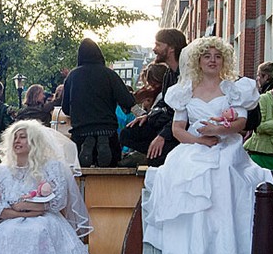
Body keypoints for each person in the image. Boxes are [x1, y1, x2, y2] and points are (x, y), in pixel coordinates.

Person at [143, 37, 273, 254]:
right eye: (207, 56)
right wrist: (200, 140)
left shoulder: (235, 89)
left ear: (223, 60)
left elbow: (242, 123)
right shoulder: (185, 91)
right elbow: (178, 129)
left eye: (217, 56)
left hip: (227, 146)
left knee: (223, 171)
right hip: (195, 146)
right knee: (182, 173)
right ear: (198, 61)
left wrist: (219, 131)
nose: (212, 61)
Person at [0, 120, 114, 254]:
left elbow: (55, 203)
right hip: (11, 220)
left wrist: (27, 208)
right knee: (7, 233)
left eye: (23, 137)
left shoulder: (51, 168)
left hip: (46, 219)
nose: (17, 141)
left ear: (35, 142)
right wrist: (25, 213)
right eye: (14, 137)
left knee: (38, 230)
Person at [62, 38, 135, 167]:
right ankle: (103, 143)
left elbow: (66, 108)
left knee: (82, 174)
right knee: (110, 172)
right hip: (107, 129)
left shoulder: (72, 76)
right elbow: (127, 101)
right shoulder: (109, 74)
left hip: (80, 131)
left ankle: (88, 143)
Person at [127, 29, 188, 166]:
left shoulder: (187, 74)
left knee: (156, 158)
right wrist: (148, 116)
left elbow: (180, 111)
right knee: (128, 133)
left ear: (171, 48)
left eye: (158, 45)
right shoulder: (168, 74)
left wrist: (162, 136)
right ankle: (152, 153)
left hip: (181, 126)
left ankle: (157, 155)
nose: (154, 49)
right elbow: (165, 103)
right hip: (167, 121)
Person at [119, 62, 170, 167]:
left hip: (159, 133)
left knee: (126, 134)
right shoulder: (160, 96)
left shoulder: (162, 96)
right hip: (157, 129)